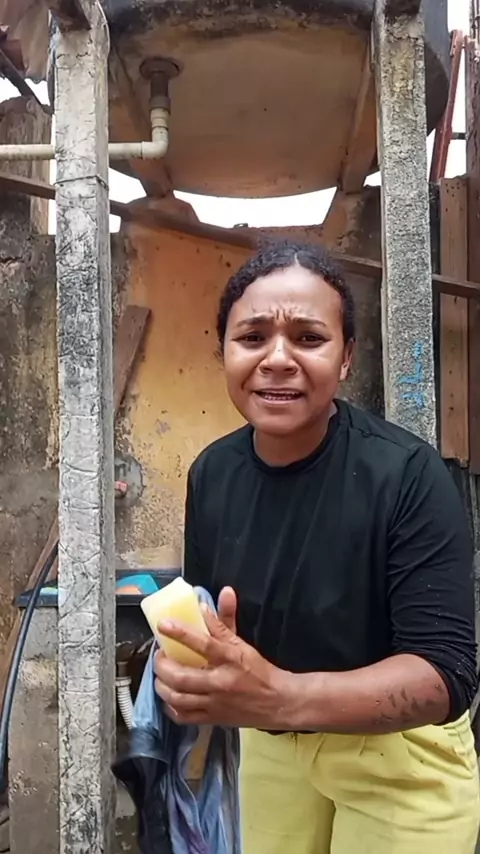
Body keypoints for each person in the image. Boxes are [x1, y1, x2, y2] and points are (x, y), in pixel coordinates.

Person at [153, 240, 480, 854]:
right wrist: (186, 671)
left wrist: (279, 697)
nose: (277, 359)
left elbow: (445, 676)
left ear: (347, 356)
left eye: (308, 338)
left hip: (399, 757)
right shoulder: (212, 474)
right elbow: (212, 624)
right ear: (223, 350)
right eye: (252, 338)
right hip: (272, 749)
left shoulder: (408, 475)